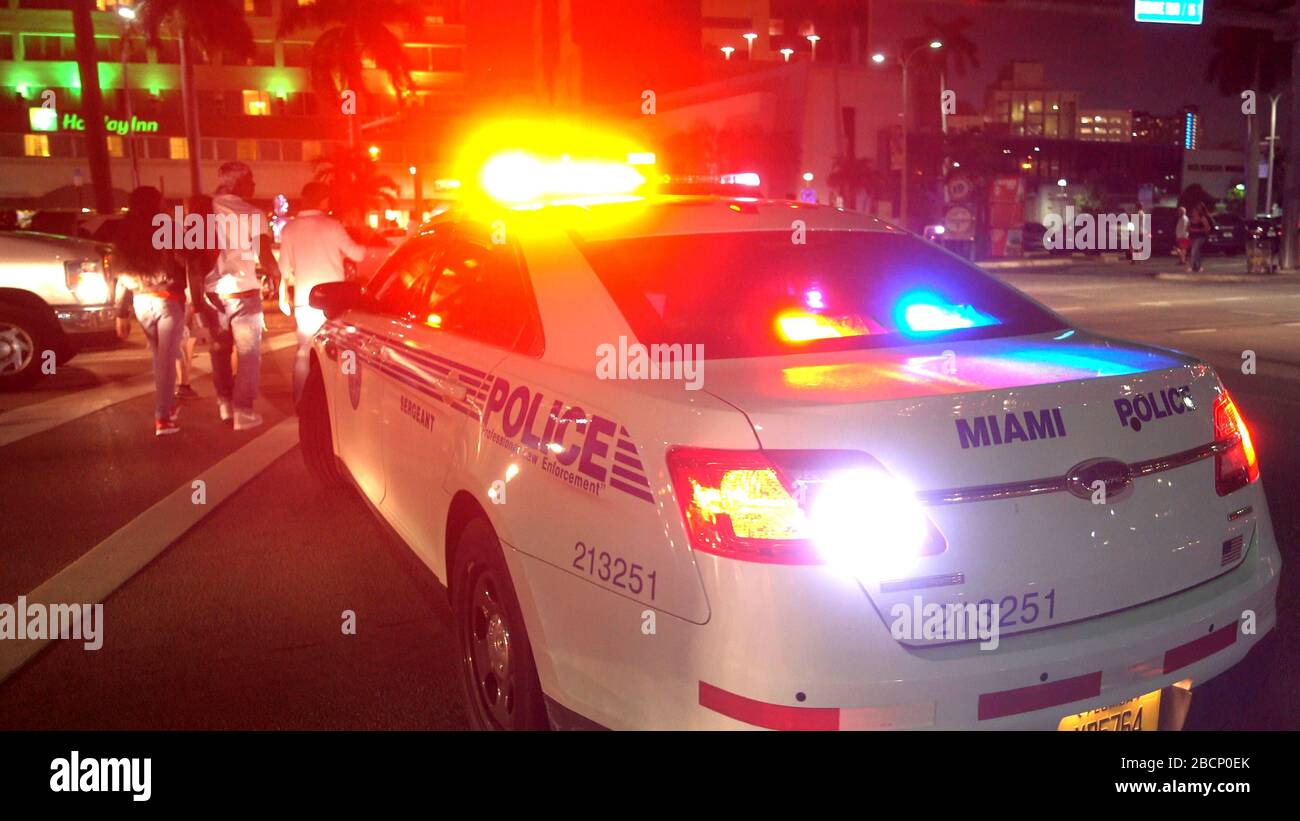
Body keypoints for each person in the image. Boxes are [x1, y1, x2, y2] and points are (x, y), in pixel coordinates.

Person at [113, 187, 206, 436]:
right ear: (157, 203)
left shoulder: (125, 232)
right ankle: (163, 417)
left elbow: (120, 272)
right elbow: (194, 254)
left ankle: (167, 406)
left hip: (141, 301)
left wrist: (121, 312)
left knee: (159, 360)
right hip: (168, 300)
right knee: (166, 361)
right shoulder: (168, 227)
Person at [205, 161, 280, 431]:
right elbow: (265, 254)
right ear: (237, 182)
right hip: (243, 291)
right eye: (251, 179)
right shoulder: (251, 213)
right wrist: (277, 277)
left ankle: (224, 402)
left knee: (220, 349)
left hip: (212, 293)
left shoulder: (206, 211)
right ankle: (243, 410)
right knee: (248, 355)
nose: (254, 184)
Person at [277, 181, 366, 404]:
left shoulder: (290, 228)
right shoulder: (332, 225)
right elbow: (358, 255)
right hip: (334, 302)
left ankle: (300, 400)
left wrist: (283, 295)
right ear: (324, 200)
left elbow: (284, 269)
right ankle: (340, 401)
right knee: (341, 351)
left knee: (303, 351)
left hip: (305, 300)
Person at [1188, 200, 1213, 273]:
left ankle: (1192, 267)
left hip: (1201, 237)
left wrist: (1197, 230)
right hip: (1193, 237)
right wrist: (1190, 230)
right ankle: (1198, 267)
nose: (1193, 212)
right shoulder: (1191, 219)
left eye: (1195, 211)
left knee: (1194, 250)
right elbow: (1188, 228)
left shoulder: (1202, 218)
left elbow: (1207, 228)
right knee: (1196, 252)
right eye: (1193, 211)